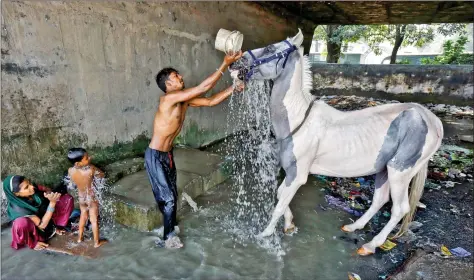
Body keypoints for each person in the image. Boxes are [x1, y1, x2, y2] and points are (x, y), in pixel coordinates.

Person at [147, 51, 244, 249]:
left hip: (167, 155)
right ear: (168, 84)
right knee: (168, 198)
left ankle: (169, 226)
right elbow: (204, 87)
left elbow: (210, 101)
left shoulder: (183, 101)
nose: (181, 77)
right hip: (155, 156)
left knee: (172, 194)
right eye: (176, 77)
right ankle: (168, 238)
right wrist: (224, 64)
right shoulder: (167, 100)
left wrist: (234, 88)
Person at [3, 175, 74, 250]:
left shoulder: (32, 188)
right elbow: (42, 225)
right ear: (16, 194)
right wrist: (52, 203)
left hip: (46, 218)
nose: (31, 187)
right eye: (26, 187)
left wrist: (48, 193)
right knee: (21, 223)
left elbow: (47, 190)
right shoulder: (18, 209)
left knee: (67, 199)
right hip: (37, 230)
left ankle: (54, 227)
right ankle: (33, 242)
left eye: (29, 183)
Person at [66, 148, 107, 248]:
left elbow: (72, 183)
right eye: (86, 158)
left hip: (81, 198)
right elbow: (101, 175)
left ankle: (80, 238)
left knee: (83, 216)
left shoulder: (70, 170)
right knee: (94, 219)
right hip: (91, 198)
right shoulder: (91, 169)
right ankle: (96, 242)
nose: (90, 158)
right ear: (78, 163)